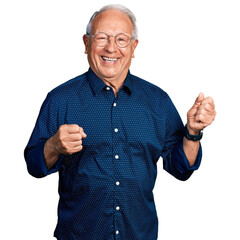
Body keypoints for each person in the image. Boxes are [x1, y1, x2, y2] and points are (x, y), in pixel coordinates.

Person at [24, 4, 216, 240]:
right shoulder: (60, 100)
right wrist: (53, 146)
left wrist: (193, 133)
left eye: (121, 39)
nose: (111, 48)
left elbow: (180, 168)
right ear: (86, 43)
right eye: (102, 38)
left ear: (134, 47)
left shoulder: (157, 102)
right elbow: (33, 166)